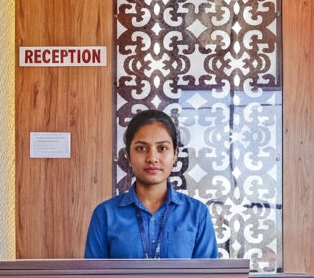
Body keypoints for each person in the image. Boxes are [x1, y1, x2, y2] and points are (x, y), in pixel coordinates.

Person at [85, 110, 218, 259]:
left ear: (175, 154)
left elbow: (208, 273)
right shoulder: (105, 214)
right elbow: (94, 274)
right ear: (128, 155)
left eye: (162, 148)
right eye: (141, 148)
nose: (152, 158)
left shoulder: (197, 214)